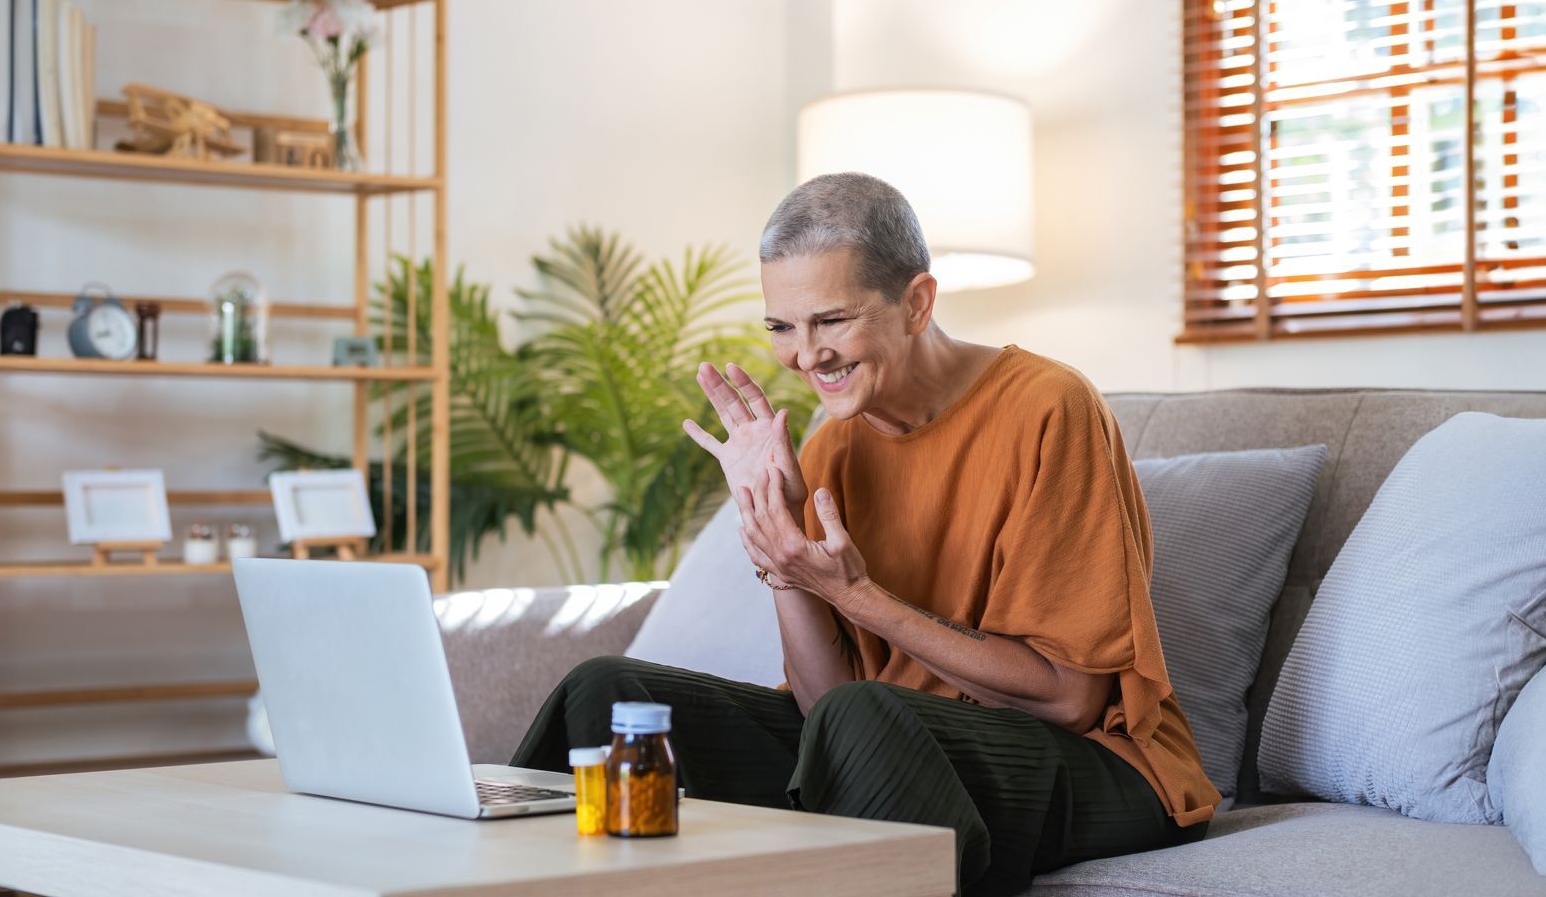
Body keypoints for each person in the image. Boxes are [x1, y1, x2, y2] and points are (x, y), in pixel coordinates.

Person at [511, 172, 1220, 896]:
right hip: (889, 748)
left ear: (916, 302)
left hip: (1099, 761)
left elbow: (1070, 697)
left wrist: (859, 597)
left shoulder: (1049, 408)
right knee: (605, 691)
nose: (805, 356)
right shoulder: (831, 448)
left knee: (865, 716)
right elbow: (824, 711)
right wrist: (783, 553)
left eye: (831, 321)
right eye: (782, 327)